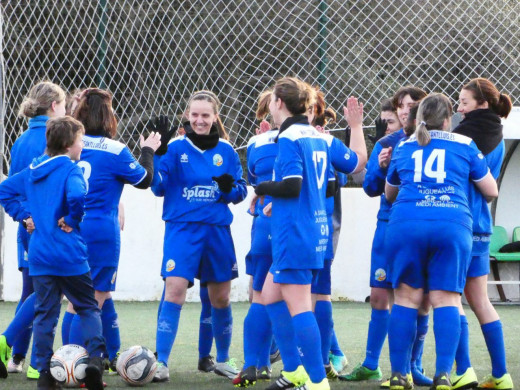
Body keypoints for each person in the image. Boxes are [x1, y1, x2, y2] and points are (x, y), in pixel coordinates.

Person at [254, 77, 364, 390]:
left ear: (278, 103)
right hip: (314, 229)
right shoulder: (322, 138)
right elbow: (355, 163)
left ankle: (316, 380)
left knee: (300, 305)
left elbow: (292, 185)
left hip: (295, 233)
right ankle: (294, 370)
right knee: (271, 295)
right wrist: (356, 129)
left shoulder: (288, 137)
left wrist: (261, 188)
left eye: (273, 101)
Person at [384, 93, 498, 390]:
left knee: (406, 299)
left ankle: (399, 375)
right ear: (450, 119)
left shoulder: (404, 145)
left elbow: (389, 193)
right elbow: (491, 190)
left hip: (407, 223)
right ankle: (445, 375)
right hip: (451, 224)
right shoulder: (464, 144)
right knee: (446, 299)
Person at [0, 116, 107, 390]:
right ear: (70, 143)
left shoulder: (33, 171)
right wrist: (72, 219)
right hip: (70, 255)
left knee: (45, 314)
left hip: (40, 256)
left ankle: (45, 375)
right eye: (81, 141)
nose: (82, 146)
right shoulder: (71, 171)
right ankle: (95, 361)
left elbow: (4, 190)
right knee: (87, 306)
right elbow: (77, 196)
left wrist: (24, 217)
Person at [62, 88, 162, 373]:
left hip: (72, 224)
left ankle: (102, 355)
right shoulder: (115, 149)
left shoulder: (70, 144)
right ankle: (74, 363)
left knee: (80, 298)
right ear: (109, 117)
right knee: (92, 299)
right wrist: (148, 151)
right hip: (101, 229)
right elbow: (145, 180)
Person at [151, 90, 247, 382]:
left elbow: (240, 191)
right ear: (187, 115)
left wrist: (228, 186)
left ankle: (222, 359)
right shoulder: (174, 147)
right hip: (182, 230)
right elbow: (157, 187)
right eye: (194, 115)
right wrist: (156, 156)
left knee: (220, 298)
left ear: (215, 116)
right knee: (175, 291)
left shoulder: (227, 151)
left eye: (205, 115)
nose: (200, 120)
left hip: (217, 232)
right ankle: (162, 363)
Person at [345, 87, 428, 386]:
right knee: (380, 297)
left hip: (418, 229)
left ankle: (412, 366)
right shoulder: (388, 143)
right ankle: (371, 363)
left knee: (420, 301)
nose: (405, 110)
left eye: (410, 106)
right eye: (400, 106)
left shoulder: (433, 141)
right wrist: (380, 167)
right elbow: (369, 188)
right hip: (388, 227)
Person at [450, 78, 514, 390]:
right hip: (482, 226)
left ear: (482, 104)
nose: (459, 109)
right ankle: (501, 375)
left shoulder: (463, 139)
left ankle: (464, 370)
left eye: (464, 102)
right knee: (479, 299)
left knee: (450, 298)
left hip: (459, 225)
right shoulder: (499, 137)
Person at [1, 81, 67, 381]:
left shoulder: (20, 141)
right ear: (54, 107)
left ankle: (15, 356)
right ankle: (34, 360)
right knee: (47, 294)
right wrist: (34, 216)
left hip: (27, 229)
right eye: (64, 106)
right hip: (46, 229)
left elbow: (12, 191)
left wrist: (23, 216)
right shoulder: (54, 140)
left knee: (32, 291)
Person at [309, 88, 367, 380]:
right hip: (317, 228)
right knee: (304, 293)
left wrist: (355, 129)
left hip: (318, 227)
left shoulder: (322, 143)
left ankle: (319, 360)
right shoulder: (311, 141)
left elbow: (353, 168)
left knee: (308, 293)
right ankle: (326, 354)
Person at [233, 89, 280, 387]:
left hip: (265, 222)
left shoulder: (256, 143)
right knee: (305, 299)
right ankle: (313, 366)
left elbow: (255, 181)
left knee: (260, 293)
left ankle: (256, 363)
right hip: (301, 227)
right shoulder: (315, 139)